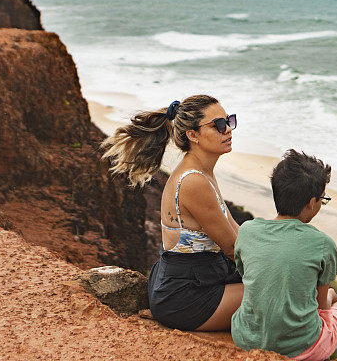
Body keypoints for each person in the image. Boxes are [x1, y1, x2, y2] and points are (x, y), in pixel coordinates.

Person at [101, 94, 243, 331]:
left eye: (229, 120)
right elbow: (231, 248)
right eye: (218, 125)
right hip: (186, 297)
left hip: (198, 280)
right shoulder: (193, 181)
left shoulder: (203, 172)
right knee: (279, 294)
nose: (227, 129)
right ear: (192, 135)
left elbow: (234, 230)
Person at [231, 150, 337, 361]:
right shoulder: (323, 244)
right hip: (301, 347)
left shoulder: (247, 231)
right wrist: (329, 297)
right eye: (323, 199)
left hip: (247, 338)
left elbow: (249, 278)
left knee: (331, 297)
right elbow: (320, 308)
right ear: (312, 202)